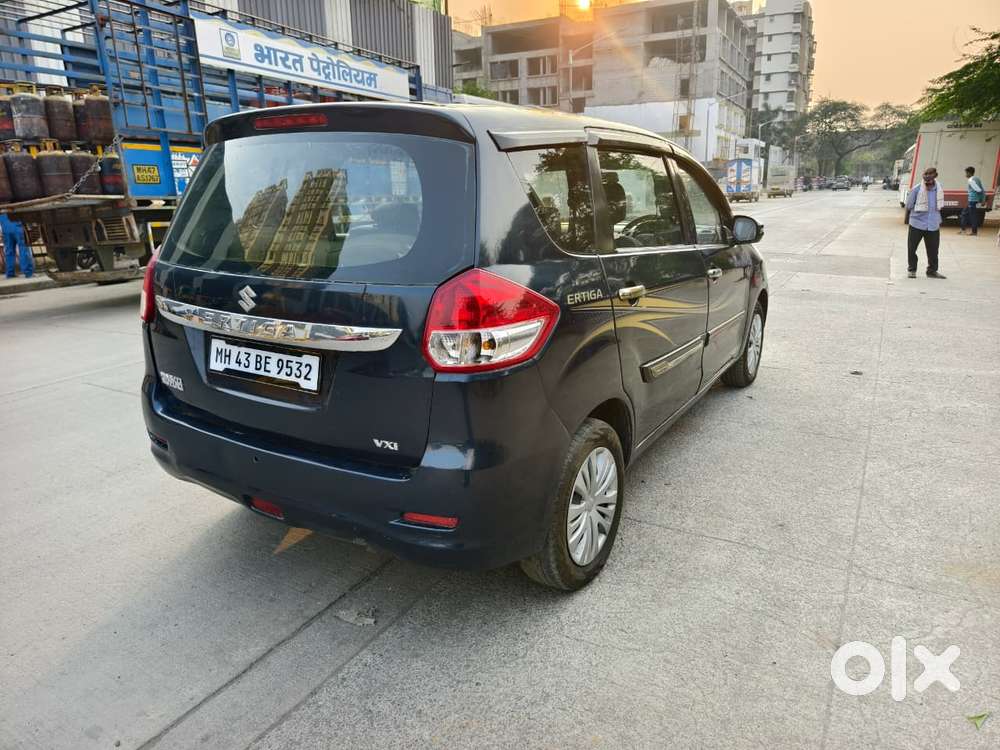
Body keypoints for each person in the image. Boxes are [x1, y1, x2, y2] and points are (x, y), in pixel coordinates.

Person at [904, 167, 946, 279]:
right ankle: (912, 270)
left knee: (933, 250)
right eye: (925, 174)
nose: (927, 177)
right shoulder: (917, 189)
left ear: (935, 176)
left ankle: (932, 271)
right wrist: (918, 210)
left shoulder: (939, 189)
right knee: (912, 248)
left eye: (929, 174)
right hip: (917, 223)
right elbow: (909, 205)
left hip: (933, 224)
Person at [0, 212, 33, 280]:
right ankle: (28, 272)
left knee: (9, 250)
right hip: (16, 222)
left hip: (5, 224)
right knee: (23, 248)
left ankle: (10, 273)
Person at [959, 166, 986, 236]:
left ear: (969, 173)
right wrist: (982, 199)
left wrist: (981, 199)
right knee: (964, 214)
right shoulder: (977, 179)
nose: (965, 175)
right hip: (973, 200)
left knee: (972, 216)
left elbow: (978, 190)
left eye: (966, 173)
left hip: (972, 200)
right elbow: (982, 189)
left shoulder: (971, 180)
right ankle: (963, 229)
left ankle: (974, 232)